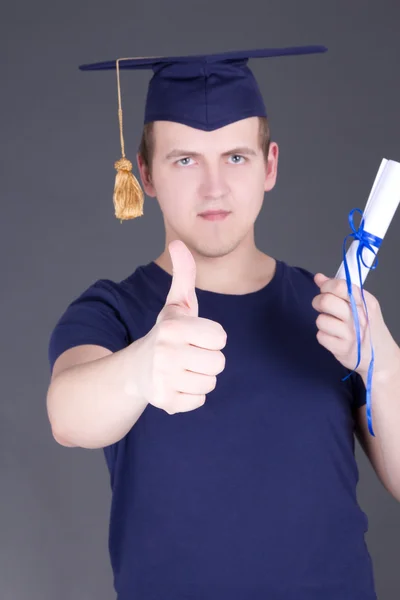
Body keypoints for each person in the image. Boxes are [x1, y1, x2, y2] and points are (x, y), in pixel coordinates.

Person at [46, 46, 400, 599]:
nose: (214, 187)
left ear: (270, 166)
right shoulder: (114, 311)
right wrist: (143, 368)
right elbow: (68, 415)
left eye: (236, 157)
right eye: (185, 159)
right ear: (146, 173)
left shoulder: (333, 311)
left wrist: (383, 366)